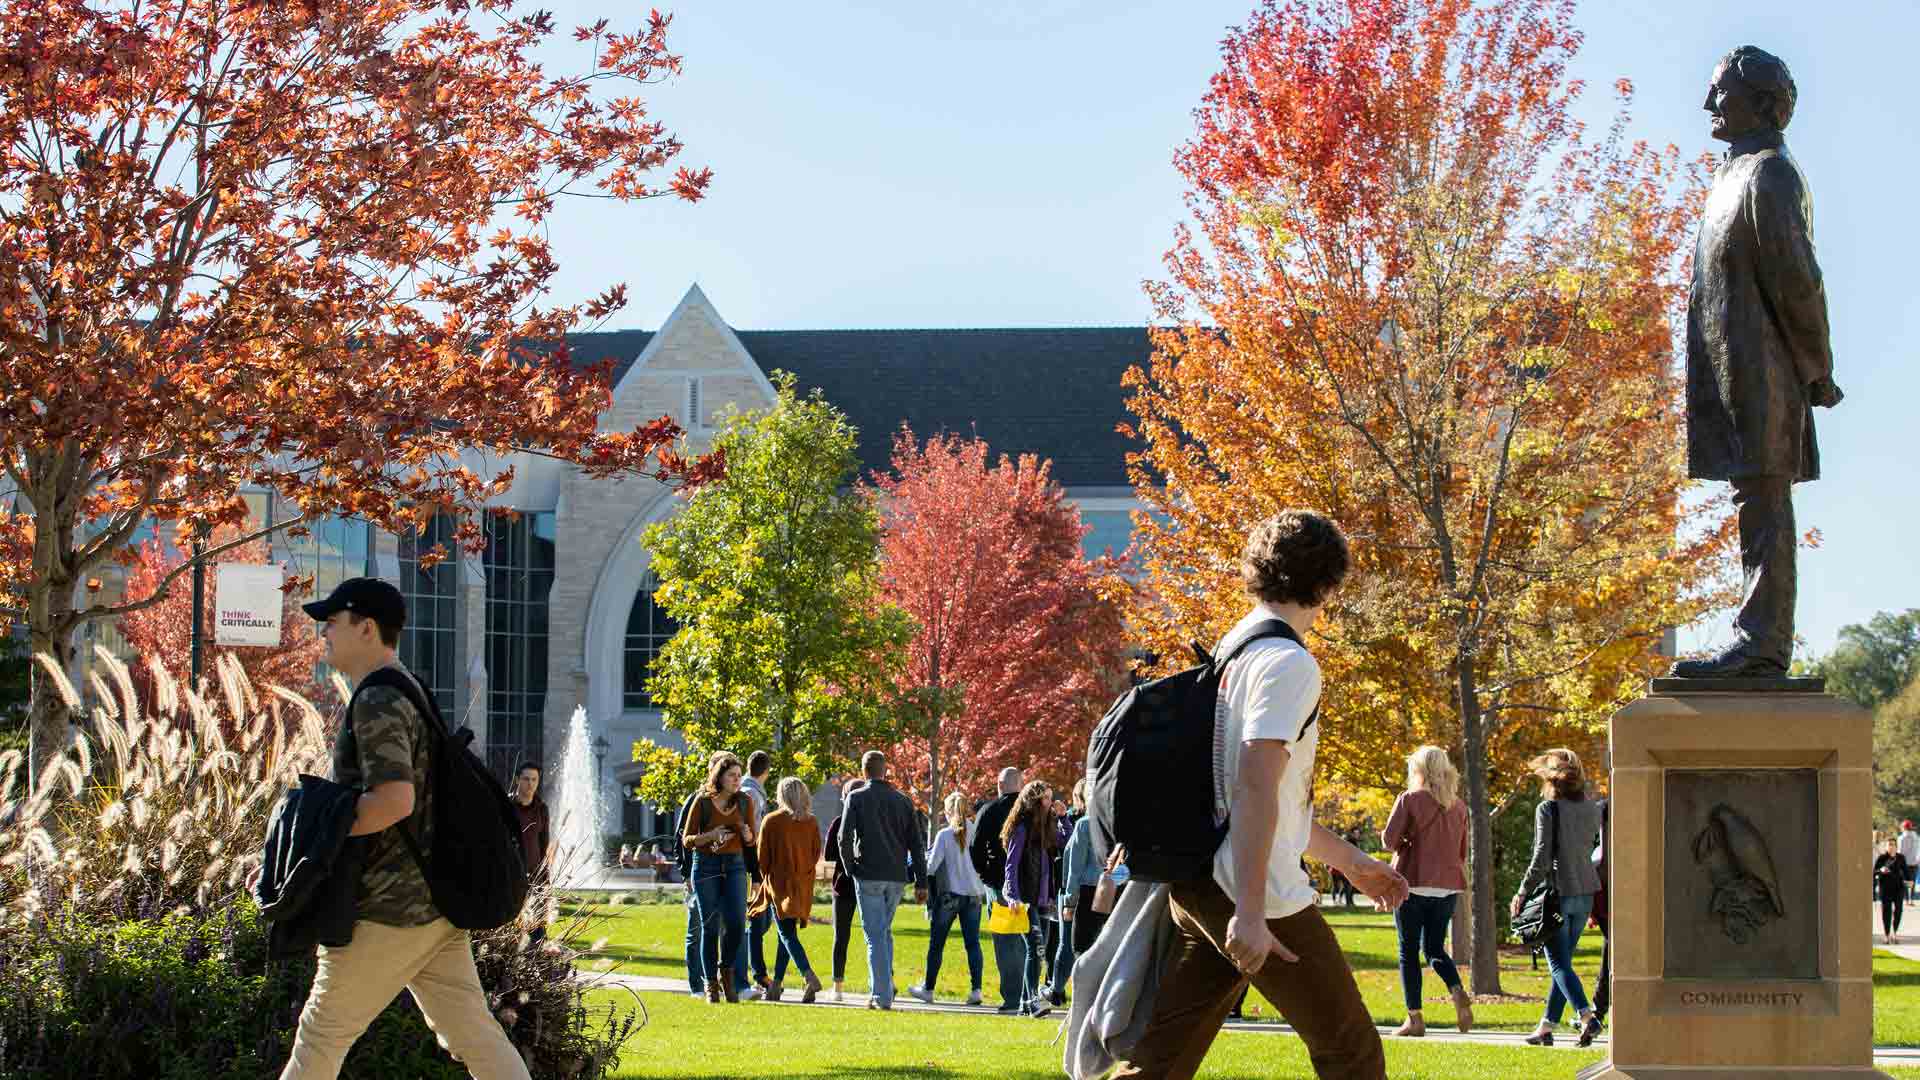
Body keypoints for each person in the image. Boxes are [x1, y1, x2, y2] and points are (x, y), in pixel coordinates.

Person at [1113, 509, 1408, 1080]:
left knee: (1162, 1062)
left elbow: (1269, 798)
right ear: (1327, 584)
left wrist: (1352, 863)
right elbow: (1254, 785)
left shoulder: (1236, 647)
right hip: (1255, 894)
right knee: (1351, 1052)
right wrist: (1250, 912)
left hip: (1200, 882)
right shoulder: (1288, 662)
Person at [277, 577, 529, 1079]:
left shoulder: (376, 699)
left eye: (333, 621)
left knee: (321, 1035)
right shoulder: (408, 687)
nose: (324, 631)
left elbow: (395, 800)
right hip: (435, 904)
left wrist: (319, 835)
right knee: (473, 1034)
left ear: (366, 628)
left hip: (390, 910)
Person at [1511, 748, 1606, 1048]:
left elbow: (1541, 858)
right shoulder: (1593, 809)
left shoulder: (1548, 809)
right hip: (1586, 894)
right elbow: (1589, 849)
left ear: (1550, 780)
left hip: (1558, 895)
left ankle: (1588, 1016)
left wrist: (1522, 891)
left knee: (1558, 964)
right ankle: (1546, 1027)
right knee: (1561, 963)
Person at [1380, 746, 1472, 1037]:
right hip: (1447, 887)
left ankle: (1415, 1019)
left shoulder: (1409, 799)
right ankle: (1456, 989)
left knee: (1408, 950)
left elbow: (1388, 841)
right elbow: (1462, 852)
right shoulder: (1459, 806)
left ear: (1418, 769)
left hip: (1412, 883)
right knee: (1434, 948)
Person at [837, 750, 927, 1011]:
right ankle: (884, 985)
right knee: (883, 932)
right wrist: (921, 881)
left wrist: (850, 868)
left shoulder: (856, 797)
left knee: (875, 935)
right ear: (884, 770)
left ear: (864, 771)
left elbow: (844, 838)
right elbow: (917, 844)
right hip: (896, 876)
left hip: (869, 874)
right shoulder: (903, 800)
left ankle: (881, 995)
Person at [684, 752, 759, 1004]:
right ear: (720, 777)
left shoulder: (746, 802)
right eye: (732, 776)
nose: (737, 780)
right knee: (710, 926)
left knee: (737, 924)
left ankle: (726, 970)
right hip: (706, 866)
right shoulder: (702, 802)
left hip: (736, 866)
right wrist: (710, 835)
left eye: (739, 776)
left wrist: (749, 837)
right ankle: (710, 985)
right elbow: (687, 839)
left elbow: (751, 843)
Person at [910, 791, 988, 1006]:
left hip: (950, 895)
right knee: (972, 943)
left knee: (937, 944)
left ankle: (928, 988)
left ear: (947, 811)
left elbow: (932, 867)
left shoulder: (945, 835)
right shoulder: (976, 831)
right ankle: (976, 989)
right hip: (973, 895)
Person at [753, 776, 825, 1002]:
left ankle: (808, 974)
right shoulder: (811, 822)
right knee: (788, 933)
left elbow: (762, 858)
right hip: (802, 883)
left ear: (781, 795)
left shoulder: (772, 821)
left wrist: (765, 878)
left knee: (785, 934)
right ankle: (776, 985)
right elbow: (815, 854)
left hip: (780, 883)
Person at [1002, 780, 1065, 1018]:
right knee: (1035, 950)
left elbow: (1065, 842)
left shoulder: (1048, 826)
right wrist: (1013, 895)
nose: (1050, 802)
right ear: (1036, 802)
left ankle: (1024, 1004)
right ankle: (1032, 1000)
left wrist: (1063, 818)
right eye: (1046, 799)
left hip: (1044, 899)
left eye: (1051, 797)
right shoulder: (1022, 828)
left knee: (1040, 950)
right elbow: (1011, 865)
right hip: (1026, 899)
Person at [971, 766, 1026, 1014]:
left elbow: (975, 847)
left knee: (1004, 943)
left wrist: (986, 876)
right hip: (1029, 886)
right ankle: (1029, 994)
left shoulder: (990, 810)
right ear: (1021, 784)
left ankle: (1012, 996)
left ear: (1000, 785)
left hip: (999, 883)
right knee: (1026, 941)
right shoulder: (1032, 811)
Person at [822, 777, 862, 1002]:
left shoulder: (838, 822)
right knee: (875, 935)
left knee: (841, 936)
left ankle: (837, 986)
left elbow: (828, 854)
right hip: (867, 881)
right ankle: (886, 980)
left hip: (843, 884)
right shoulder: (871, 819)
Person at [740, 750, 775, 998]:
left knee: (761, 920)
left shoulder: (752, 792)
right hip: (750, 865)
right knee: (756, 920)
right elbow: (751, 834)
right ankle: (758, 973)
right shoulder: (751, 794)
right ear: (766, 771)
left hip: (753, 865)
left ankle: (756, 971)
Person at [509, 762, 552, 944]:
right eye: (526, 779)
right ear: (518, 780)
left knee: (537, 931)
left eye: (534, 780)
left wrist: (545, 878)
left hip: (534, 876)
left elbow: (544, 844)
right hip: (511, 876)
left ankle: (539, 964)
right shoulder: (507, 806)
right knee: (511, 927)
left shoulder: (542, 809)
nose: (530, 784)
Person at [1877, 838, 1909, 944]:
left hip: (1898, 888)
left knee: (1898, 910)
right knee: (1886, 912)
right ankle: (1886, 935)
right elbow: (1875, 872)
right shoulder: (1882, 858)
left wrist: (1909, 881)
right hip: (1885, 888)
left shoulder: (1901, 858)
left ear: (1896, 846)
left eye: (1894, 845)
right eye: (1890, 845)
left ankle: (1895, 933)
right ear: (1886, 846)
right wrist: (1881, 870)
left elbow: (1906, 871)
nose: (1892, 846)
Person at [1898, 820, 1920, 902]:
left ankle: (1907, 899)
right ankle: (1911, 899)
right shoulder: (1917, 837)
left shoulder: (1901, 838)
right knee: (1912, 881)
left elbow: (1900, 851)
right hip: (1914, 862)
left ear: (1904, 828)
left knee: (1905, 881)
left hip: (1904, 862)